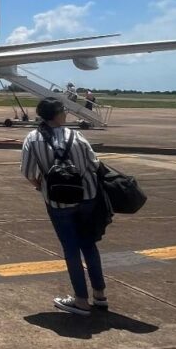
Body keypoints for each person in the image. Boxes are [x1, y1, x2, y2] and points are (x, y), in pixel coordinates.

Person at [21, 97, 106, 316]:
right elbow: (94, 163)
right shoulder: (76, 135)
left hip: (58, 202)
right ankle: (99, 295)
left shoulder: (33, 138)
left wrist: (43, 187)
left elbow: (29, 172)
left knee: (71, 249)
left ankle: (80, 299)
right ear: (58, 114)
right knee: (89, 245)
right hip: (87, 197)